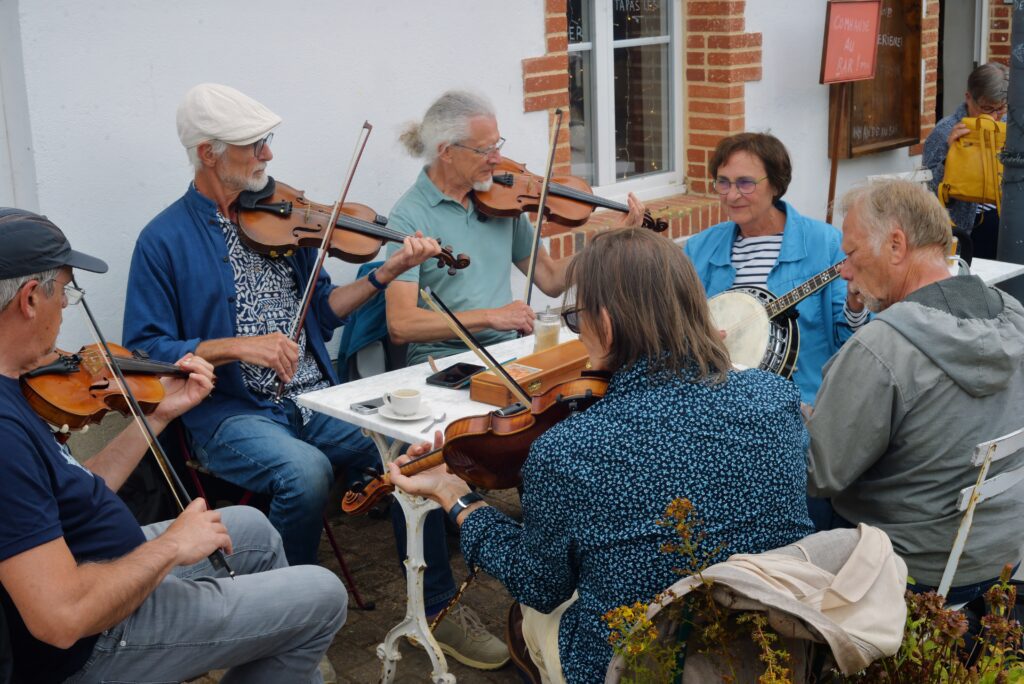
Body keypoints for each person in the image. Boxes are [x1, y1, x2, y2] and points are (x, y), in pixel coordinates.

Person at [122, 84, 507, 668]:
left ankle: (437, 608)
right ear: (208, 153)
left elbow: (323, 310)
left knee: (415, 447)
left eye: (266, 143)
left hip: (315, 397)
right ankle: (290, 629)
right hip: (231, 413)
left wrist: (390, 270)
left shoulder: (282, 221)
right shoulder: (163, 240)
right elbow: (145, 348)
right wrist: (235, 347)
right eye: (254, 146)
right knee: (303, 473)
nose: (268, 157)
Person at [390, 228, 816, 684]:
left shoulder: (569, 451)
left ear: (607, 325)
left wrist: (456, 496)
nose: (578, 331)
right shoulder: (776, 397)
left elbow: (539, 584)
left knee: (530, 613)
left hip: (637, 666)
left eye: (577, 319)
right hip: (767, 645)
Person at [0, 209, 346, 683]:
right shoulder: (4, 434)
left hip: (97, 569)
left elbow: (78, 488)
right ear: (30, 300)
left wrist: (159, 414)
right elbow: (61, 618)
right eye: (67, 292)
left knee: (251, 528)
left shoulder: (14, 386)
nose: (67, 307)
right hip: (94, 640)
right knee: (323, 595)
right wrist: (171, 546)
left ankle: (280, 654)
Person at [806, 179, 1024, 604]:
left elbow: (819, 471)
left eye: (849, 254)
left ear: (895, 245)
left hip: (909, 568)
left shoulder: (882, 347)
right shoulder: (1012, 315)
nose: (845, 272)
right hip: (999, 556)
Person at [384, 89, 646, 366]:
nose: (497, 159)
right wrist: (492, 317)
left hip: (509, 352)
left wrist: (608, 241)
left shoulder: (501, 200)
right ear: (447, 152)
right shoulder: (409, 216)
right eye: (485, 150)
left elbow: (550, 278)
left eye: (498, 146)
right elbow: (401, 324)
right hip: (443, 362)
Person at [684, 132, 867, 404]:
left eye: (745, 183)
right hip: (718, 404)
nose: (732, 195)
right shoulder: (699, 249)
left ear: (776, 184)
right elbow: (674, 330)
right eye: (723, 183)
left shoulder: (824, 243)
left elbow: (851, 340)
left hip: (802, 405)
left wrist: (855, 303)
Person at [923, 62, 1008, 261]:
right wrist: (950, 155)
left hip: (1004, 222)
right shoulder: (945, 130)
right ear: (968, 98)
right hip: (964, 233)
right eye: (987, 108)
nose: (994, 117)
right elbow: (930, 192)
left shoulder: (1007, 125)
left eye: (1000, 109)